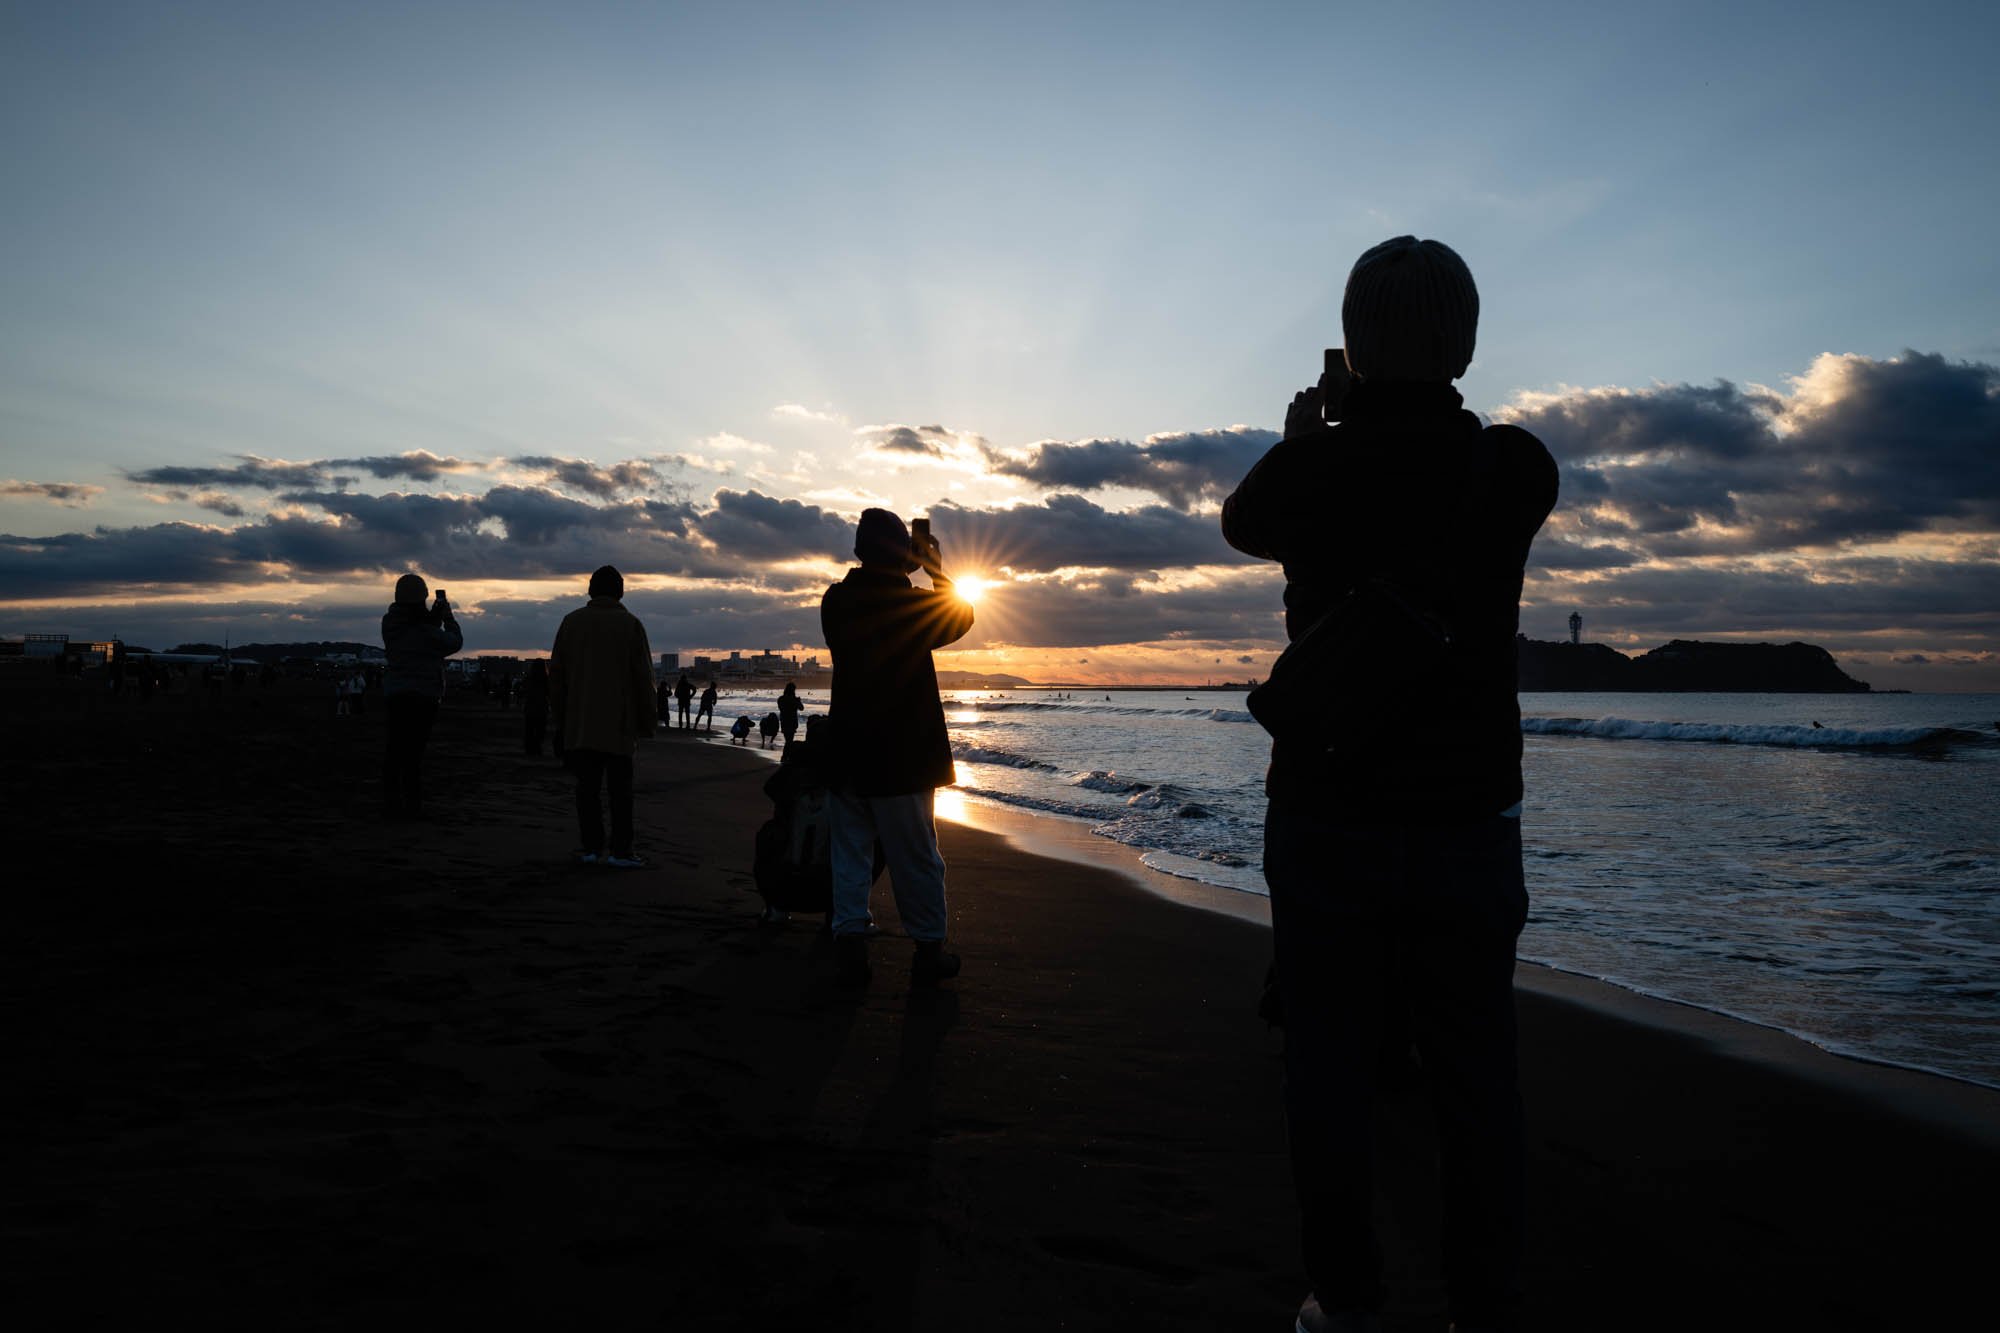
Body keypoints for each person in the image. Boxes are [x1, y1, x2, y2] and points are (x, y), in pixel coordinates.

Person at [1221, 236, 1558, 1333]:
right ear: (1465, 343)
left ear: (1352, 344)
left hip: (1327, 806)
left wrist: (1312, 434)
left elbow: (1244, 519)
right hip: (1468, 814)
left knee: (1326, 1068)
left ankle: (1347, 1298)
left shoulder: (1307, 471)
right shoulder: (1511, 469)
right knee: (1476, 1073)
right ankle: (1484, 1306)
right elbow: (1459, 470)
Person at [820, 508, 975, 988]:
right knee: (916, 858)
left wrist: (902, 565)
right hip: (902, 754)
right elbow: (960, 618)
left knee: (850, 854)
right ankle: (928, 951)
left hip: (847, 750)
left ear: (859, 552)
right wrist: (936, 570)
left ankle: (850, 947)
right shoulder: (909, 604)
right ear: (902, 554)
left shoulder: (836, 600)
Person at [549, 565, 657, 868]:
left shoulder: (571, 622)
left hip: (581, 723)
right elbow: (643, 678)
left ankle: (591, 849)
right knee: (621, 792)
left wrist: (561, 718)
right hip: (619, 725)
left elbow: (556, 677)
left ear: (590, 590)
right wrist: (648, 721)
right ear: (620, 591)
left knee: (587, 790)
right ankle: (621, 851)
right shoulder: (630, 625)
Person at [380, 574, 464, 820]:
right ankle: (411, 805)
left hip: (396, 693)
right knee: (413, 754)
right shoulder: (424, 629)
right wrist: (447, 617)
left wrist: (433, 617)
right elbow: (453, 642)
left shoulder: (390, 622)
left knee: (395, 749)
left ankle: (391, 802)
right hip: (423, 695)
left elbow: (418, 628)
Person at [522, 659, 551, 756]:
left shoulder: (528, 678)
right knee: (540, 730)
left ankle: (529, 748)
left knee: (529, 729)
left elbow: (524, 690)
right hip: (541, 707)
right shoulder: (546, 679)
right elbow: (549, 692)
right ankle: (537, 747)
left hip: (530, 707)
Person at [777, 681, 802, 746]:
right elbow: (801, 708)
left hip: (784, 721)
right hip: (792, 721)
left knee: (788, 740)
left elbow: (781, 709)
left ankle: (787, 751)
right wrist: (798, 701)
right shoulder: (794, 699)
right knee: (790, 740)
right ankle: (787, 751)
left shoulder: (781, 699)